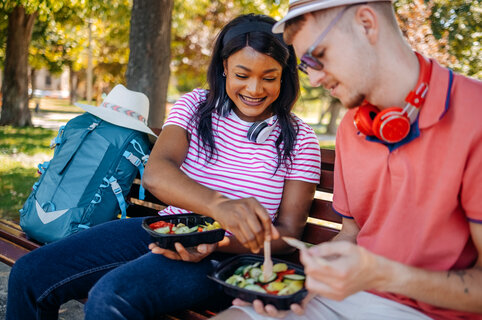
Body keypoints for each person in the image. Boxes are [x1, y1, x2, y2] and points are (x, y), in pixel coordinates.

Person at [6, 13, 322, 320]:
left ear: (284, 75)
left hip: (230, 258)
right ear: (224, 67)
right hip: (168, 229)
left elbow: (287, 233)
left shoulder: (301, 139)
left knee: (110, 300)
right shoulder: (195, 106)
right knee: (29, 273)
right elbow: (157, 174)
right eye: (243, 75)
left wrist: (214, 241)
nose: (255, 89)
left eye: (269, 78)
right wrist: (219, 206)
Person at [213, 1, 482, 319]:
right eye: (305, 66)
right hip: (348, 295)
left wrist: (381, 274)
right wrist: (311, 279)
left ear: (366, 23)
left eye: (318, 56)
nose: (312, 79)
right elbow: (352, 234)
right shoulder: (350, 127)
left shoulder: (475, 115)